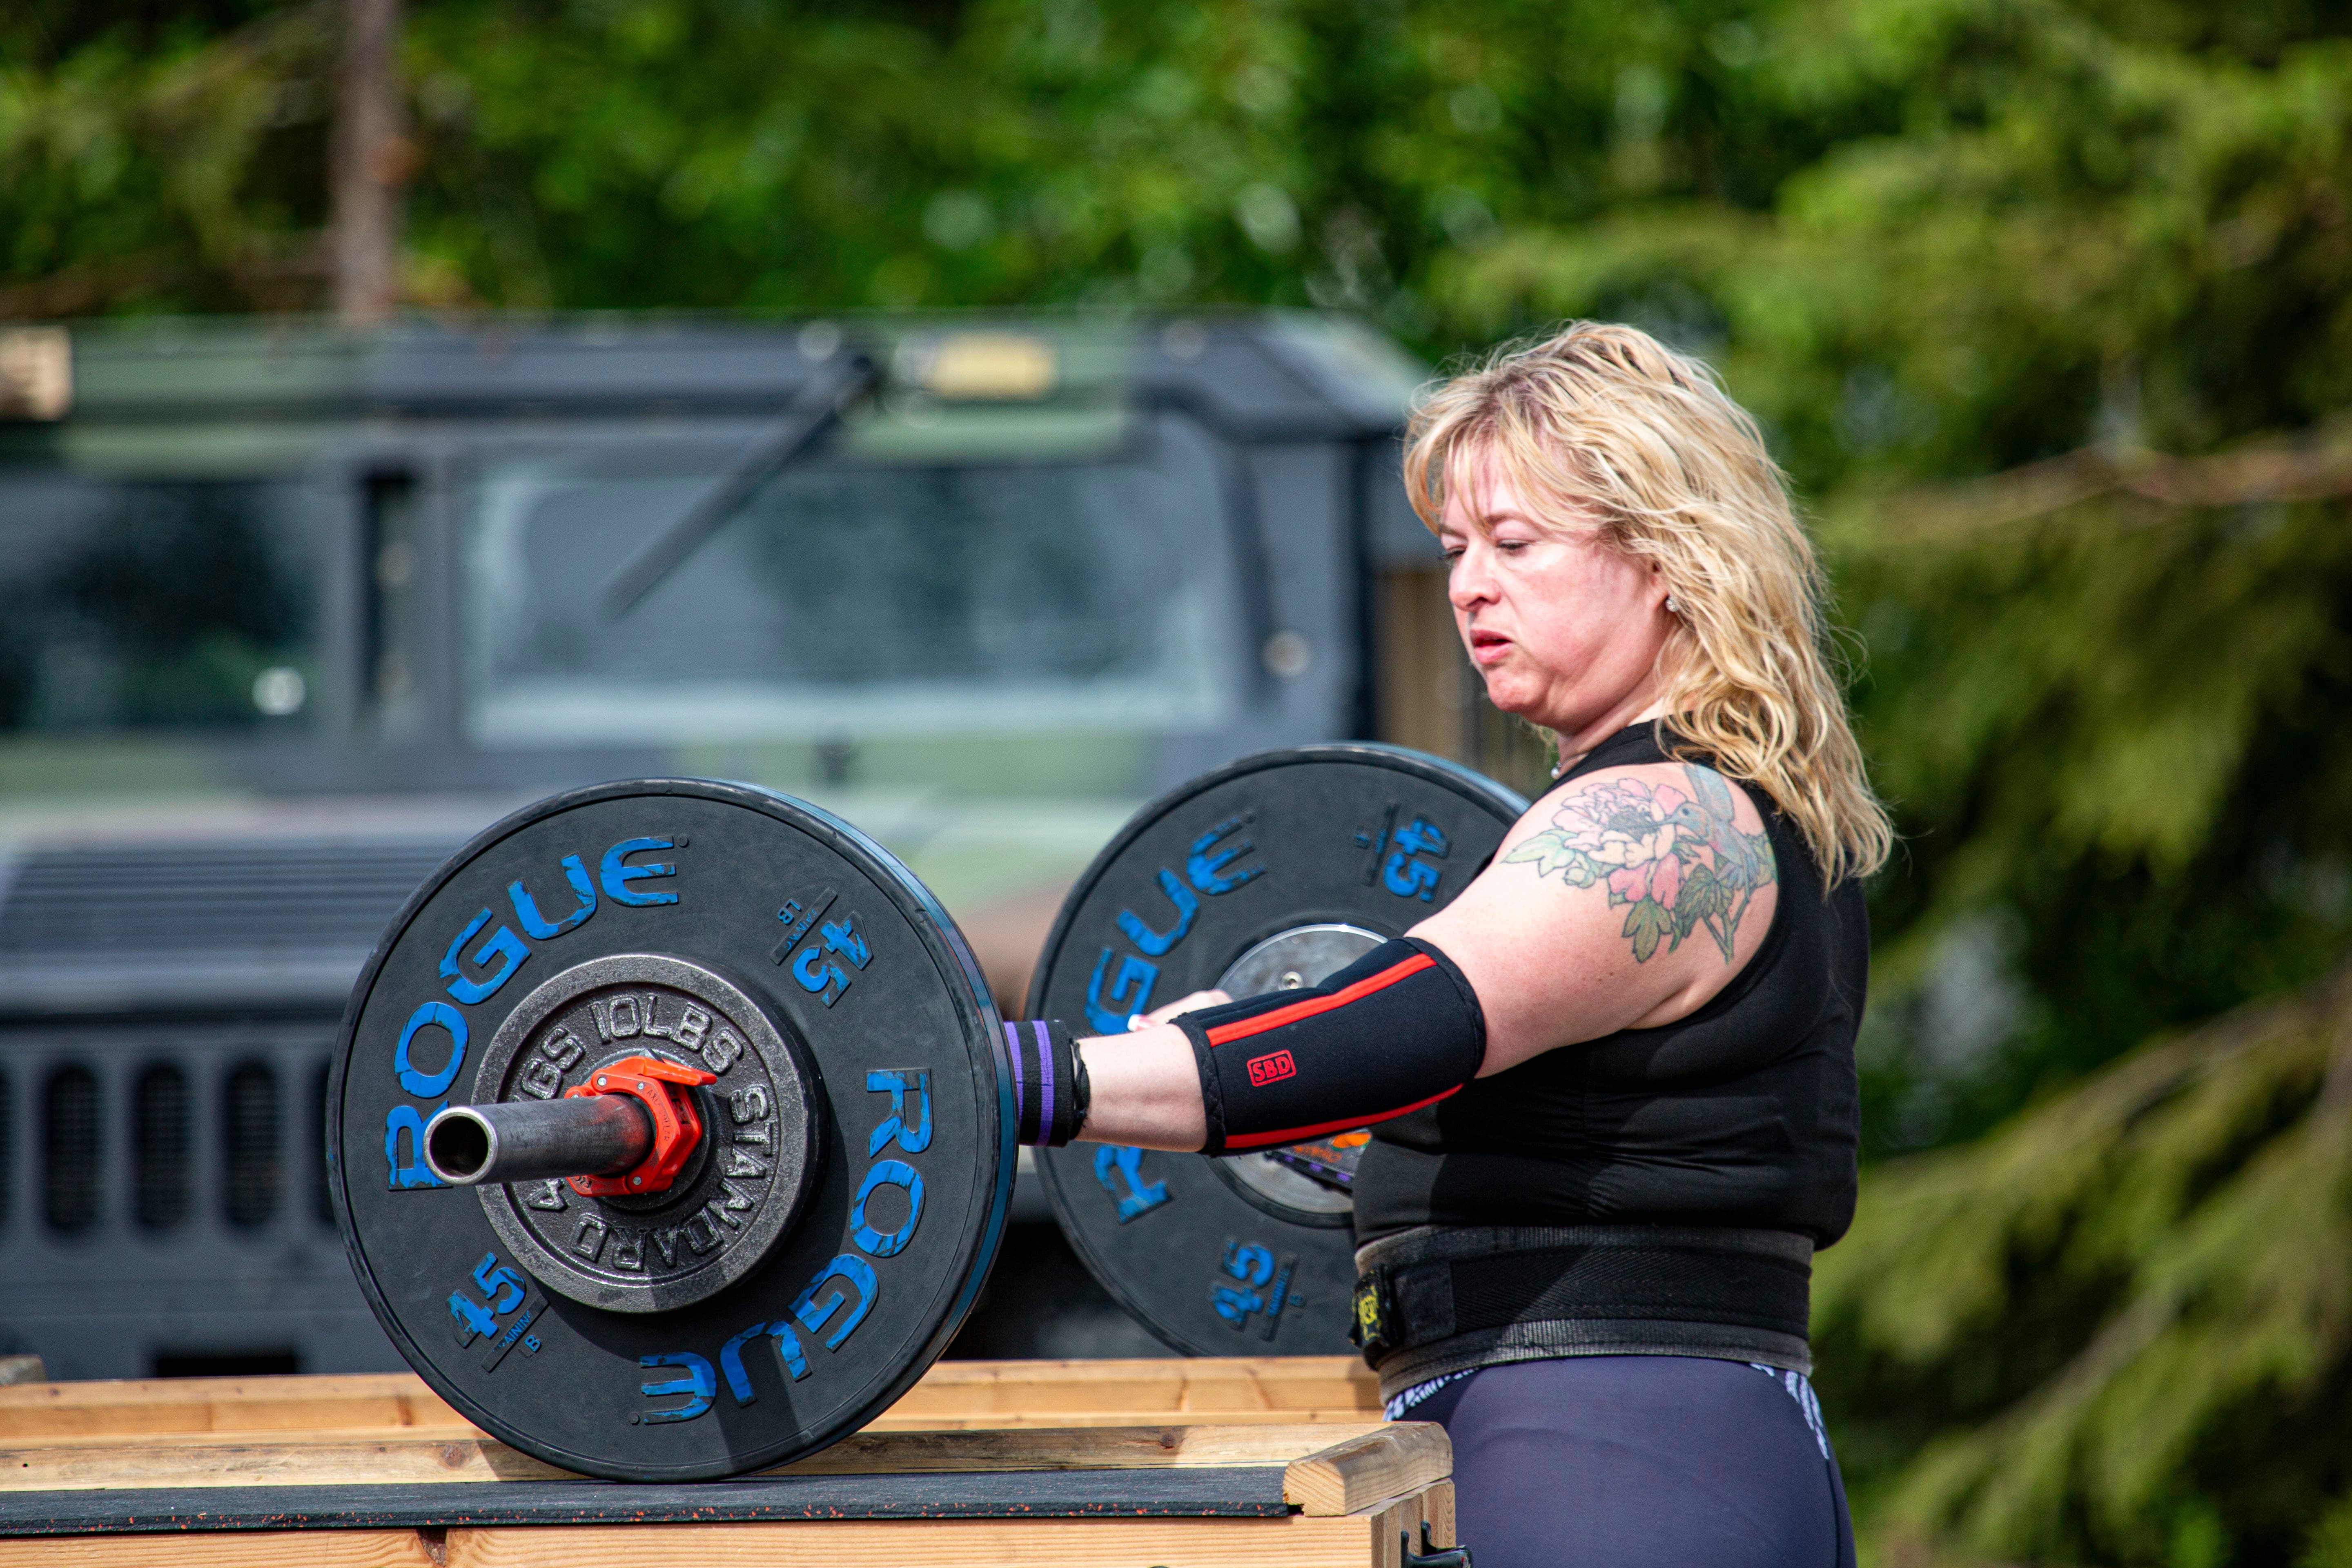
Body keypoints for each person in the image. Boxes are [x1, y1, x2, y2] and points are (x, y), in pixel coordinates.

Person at [1004, 321, 1891, 1567]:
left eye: (1515, 544)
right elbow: (1548, 1139)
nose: (1470, 586)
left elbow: (1391, 1030)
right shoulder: (1705, 809)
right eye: (1456, 549)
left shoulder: (1663, 825)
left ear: (1668, 558)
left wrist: (1020, 1082)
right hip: (1607, 1438)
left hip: (1617, 1456)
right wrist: (1313, 1131)